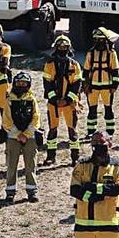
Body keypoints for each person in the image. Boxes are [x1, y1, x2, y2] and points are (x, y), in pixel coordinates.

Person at [0, 71, 42, 202]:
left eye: (24, 83)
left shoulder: (32, 99)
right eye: (19, 83)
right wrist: (18, 134)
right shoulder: (9, 100)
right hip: (13, 137)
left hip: (30, 137)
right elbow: (6, 120)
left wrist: (27, 134)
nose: (21, 86)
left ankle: (32, 191)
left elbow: (36, 118)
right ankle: (10, 192)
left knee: (31, 165)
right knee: (12, 165)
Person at [42, 34, 84, 166]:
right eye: (60, 47)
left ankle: (75, 157)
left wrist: (67, 100)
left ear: (69, 49)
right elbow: (47, 83)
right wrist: (55, 99)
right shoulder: (49, 65)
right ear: (56, 48)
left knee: (72, 130)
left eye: (65, 47)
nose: (62, 49)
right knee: (52, 130)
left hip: (70, 103)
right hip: (53, 104)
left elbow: (77, 84)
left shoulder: (75, 65)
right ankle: (51, 156)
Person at [83, 27, 119, 135]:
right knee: (92, 110)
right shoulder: (90, 53)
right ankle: (91, 131)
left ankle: (110, 131)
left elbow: (115, 71)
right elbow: (86, 70)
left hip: (107, 87)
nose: (99, 42)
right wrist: (85, 84)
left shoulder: (111, 54)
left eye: (101, 40)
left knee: (108, 109)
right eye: (97, 39)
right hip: (92, 87)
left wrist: (114, 85)